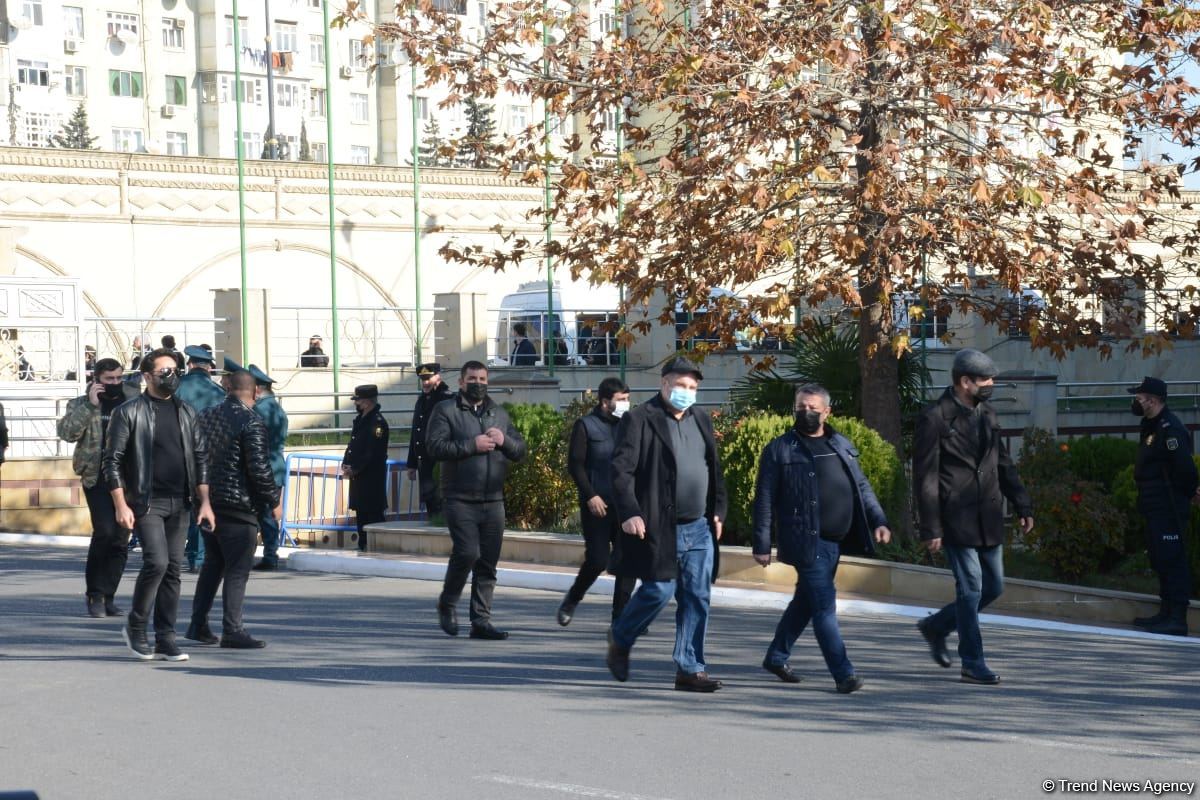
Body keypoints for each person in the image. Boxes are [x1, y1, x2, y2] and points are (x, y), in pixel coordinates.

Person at [752, 384, 892, 694]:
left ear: (827, 411)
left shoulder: (840, 444)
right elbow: (763, 499)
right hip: (806, 542)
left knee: (806, 601)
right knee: (824, 607)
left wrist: (878, 520)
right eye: (801, 407)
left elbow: (862, 487)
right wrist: (761, 543)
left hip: (836, 542)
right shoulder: (780, 449)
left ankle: (776, 656)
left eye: (813, 408)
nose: (806, 413)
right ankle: (844, 674)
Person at [605, 356, 727, 692]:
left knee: (697, 597)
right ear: (665, 384)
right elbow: (621, 471)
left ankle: (689, 669)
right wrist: (629, 511)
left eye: (693, 387)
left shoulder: (700, 419)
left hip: (699, 526)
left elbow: (713, 469)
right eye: (681, 386)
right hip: (660, 525)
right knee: (659, 589)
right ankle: (621, 636)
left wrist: (719, 509)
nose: (687, 392)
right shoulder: (640, 419)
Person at [913, 348, 1034, 685]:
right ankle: (973, 661)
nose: (991, 384)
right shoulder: (935, 417)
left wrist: (1022, 504)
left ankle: (936, 626)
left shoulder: (988, 414)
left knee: (992, 587)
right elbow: (925, 477)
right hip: (955, 518)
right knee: (970, 589)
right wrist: (931, 526)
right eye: (985, 379)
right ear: (965, 382)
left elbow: (1003, 463)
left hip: (989, 516)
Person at [103, 348, 215, 662]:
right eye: (164, 370)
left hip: (181, 502)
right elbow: (111, 462)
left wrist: (205, 502)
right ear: (147, 376)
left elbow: (201, 457)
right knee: (157, 562)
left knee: (174, 570)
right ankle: (136, 625)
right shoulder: (129, 412)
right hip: (146, 501)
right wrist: (121, 505)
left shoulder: (187, 411)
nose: (171, 375)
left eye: (175, 370)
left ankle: (166, 638)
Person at [426, 361, 526, 640]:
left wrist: (504, 440)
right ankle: (447, 603)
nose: (478, 383)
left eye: (482, 378)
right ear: (461, 382)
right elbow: (435, 447)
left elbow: (520, 451)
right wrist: (472, 445)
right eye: (472, 378)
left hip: (493, 499)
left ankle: (480, 621)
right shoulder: (445, 410)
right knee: (468, 552)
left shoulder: (498, 413)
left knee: (488, 562)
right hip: (459, 497)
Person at [186, 370, 282, 649]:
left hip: (209, 503)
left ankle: (197, 623)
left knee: (212, 566)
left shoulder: (206, 416)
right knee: (238, 570)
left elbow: (195, 459)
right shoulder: (252, 422)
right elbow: (259, 469)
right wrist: (273, 501)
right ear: (255, 393)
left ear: (228, 389)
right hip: (239, 506)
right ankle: (233, 629)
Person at [58, 359, 141, 617]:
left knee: (120, 538)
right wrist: (91, 408)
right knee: (104, 531)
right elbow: (67, 433)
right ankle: (94, 593)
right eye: (109, 379)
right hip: (96, 476)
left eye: (119, 378)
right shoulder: (81, 404)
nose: (115, 384)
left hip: (128, 478)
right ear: (97, 380)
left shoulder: (133, 400)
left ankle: (109, 595)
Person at [557, 377, 637, 626]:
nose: (626, 404)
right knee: (598, 559)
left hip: (626, 506)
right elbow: (576, 465)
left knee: (628, 561)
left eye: (627, 399)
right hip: (598, 505)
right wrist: (590, 495)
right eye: (621, 400)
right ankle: (573, 598)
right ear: (605, 402)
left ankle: (620, 618)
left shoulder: (632, 426)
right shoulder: (586, 426)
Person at [1127, 377, 1199, 636]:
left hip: (1168, 504)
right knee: (1160, 557)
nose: (1136, 402)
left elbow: (1185, 468)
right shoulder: (1152, 425)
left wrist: (1190, 492)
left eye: (1139, 398)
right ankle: (1165, 612)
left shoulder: (1171, 429)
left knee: (1172, 559)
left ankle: (1177, 618)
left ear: (1153, 400)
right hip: (1154, 504)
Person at [176, 345, 225, 573]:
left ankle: (180, 551)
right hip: (209, 457)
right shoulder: (218, 392)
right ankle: (199, 555)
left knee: (179, 505)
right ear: (209, 368)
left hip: (177, 455)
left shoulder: (175, 387)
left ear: (190, 364)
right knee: (203, 504)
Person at [247, 365, 289, 569]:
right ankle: (270, 554)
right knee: (268, 513)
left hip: (262, 466)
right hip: (276, 467)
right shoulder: (276, 408)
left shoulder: (258, 410)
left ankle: (268, 556)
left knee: (261, 513)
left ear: (257, 389)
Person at [342, 384, 390, 553]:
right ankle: (363, 544)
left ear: (368, 402)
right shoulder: (362, 420)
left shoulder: (377, 423)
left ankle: (379, 546)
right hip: (360, 476)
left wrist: (354, 469)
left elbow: (371, 452)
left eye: (359, 401)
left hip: (371, 477)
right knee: (361, 511)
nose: (357, 404)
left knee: (373, 513)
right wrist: (346, 462)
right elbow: (353, 445)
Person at [406, 363, 454, 516]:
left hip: (440, 464)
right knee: (431, 509)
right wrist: (412, 464)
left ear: (438, 376)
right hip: (425, 465)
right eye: (423, 379)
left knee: (442, 509)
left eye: (429, 378)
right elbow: (416, 433)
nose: (425, 382)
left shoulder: (447, 398)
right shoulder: (422, 400)